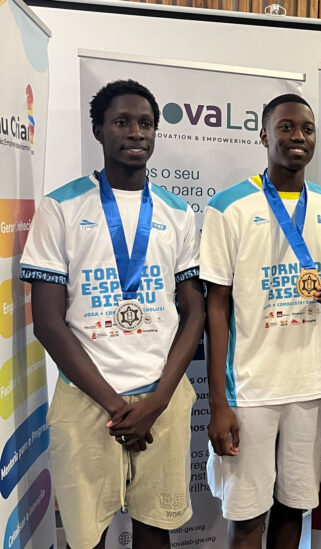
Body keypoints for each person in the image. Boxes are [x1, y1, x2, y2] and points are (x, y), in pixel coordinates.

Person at [20, 79, 204, 548]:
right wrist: (116, 407)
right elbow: (48, 324)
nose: (136, 132)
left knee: (156, 531)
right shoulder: (60, 208)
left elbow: (195, 312)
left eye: (146, 123)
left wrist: (156, 403)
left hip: (162, 396)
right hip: (86, 398)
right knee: (86, 538)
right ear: (99, 130)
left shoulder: (178, 212)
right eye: (122, 122)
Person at [200, 94, 321, 549]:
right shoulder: (229, 207)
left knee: (294, 507)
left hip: (309, 387)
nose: (297, 136)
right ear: (264, 136)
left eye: (306, 129)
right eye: (285, 127)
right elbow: (216, 306)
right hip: (250, 389)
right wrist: (218, 402)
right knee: (247, 516)